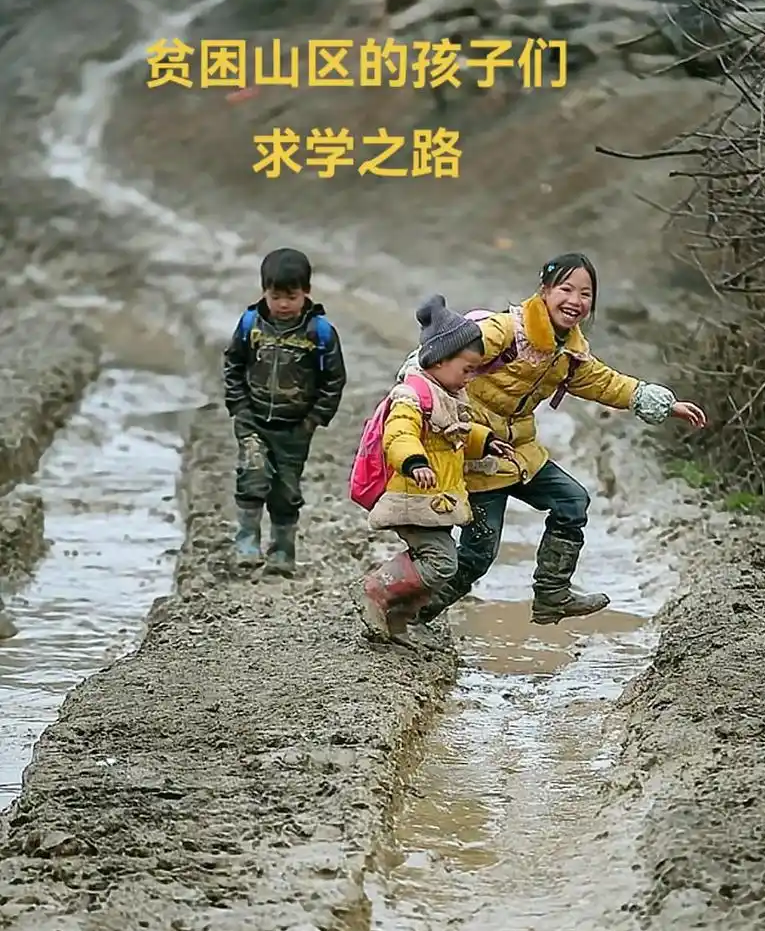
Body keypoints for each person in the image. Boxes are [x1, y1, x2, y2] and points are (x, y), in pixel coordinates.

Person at [399, 253, 706, 628]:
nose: (575, 301)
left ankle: (552, 594)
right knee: (478, 555)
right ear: (544, 290)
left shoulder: (570, 353)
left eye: (586, 293)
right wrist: (415, 396)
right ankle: (411, 616)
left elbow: (604, 382)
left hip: (520, 452)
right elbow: (438, 358)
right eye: (566, 289)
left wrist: (661, 403)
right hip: (474, 453)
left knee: (571, 500)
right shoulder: (505, 331)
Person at [358, 294, 514, 640]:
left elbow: (454, 434)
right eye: (467, 369)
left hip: (434, 500)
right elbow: (398, 433)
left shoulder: (446, 394)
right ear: (441, 360)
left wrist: (485, 441)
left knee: (438, 562)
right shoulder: (413, 395)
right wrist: (414, 461)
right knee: (442, 562)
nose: (471, 378)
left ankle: (396, 620)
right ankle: (376, 589)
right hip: (413, 496)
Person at [223, 247, 347, 574]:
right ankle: (246, 540)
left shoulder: (319, 333)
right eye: (275, 296)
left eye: (291, 296)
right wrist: (238, 406)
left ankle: (282, 551)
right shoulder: (251, 324)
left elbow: (334, 379)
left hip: (295, 427)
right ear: (264, 291)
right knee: (252, 475)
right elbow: (233, 364)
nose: (282, 305)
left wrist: (315, 418)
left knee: (286, 490)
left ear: (306, 292)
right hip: (253, 419)